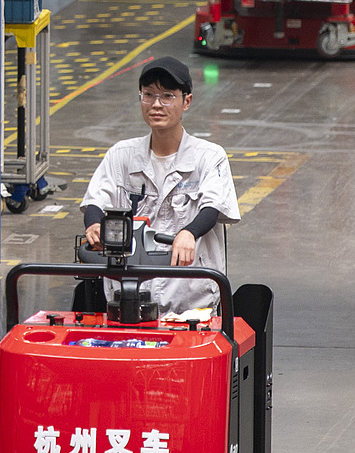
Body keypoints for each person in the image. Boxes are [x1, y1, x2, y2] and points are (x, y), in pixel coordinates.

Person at [78, 57, 241, 320]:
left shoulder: (210, 157)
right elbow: (97, 198)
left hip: (190, 304)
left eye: (167, 96)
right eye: (149, 95)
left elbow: (212, 207)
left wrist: (189, 233)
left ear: (186, 101)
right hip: (126, 299)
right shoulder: (121, 155)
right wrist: (94, 224)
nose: (156, 104)